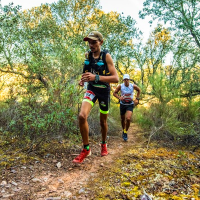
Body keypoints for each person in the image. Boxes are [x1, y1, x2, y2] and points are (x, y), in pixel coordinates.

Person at [73, 31, 119, 163]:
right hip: (92, 89)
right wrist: (83, 80)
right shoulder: (88, 56)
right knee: (82, 116)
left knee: (102, 122)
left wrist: (96, 77)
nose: (91, 45)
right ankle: (86, 149)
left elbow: (115, 78)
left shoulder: (106, 56)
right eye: (89, 42)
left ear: (101, 42)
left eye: (94, 42)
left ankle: (103, 144)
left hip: (104, 91)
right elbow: (86, 73)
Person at [113, 74, 141, 141]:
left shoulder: (132, 86)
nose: (126, 80)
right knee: (122, 119)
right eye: (125, 79)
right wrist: (119, 97)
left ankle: (125, 132)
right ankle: (124, 131)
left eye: (127, 79)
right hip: (122, 104)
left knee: (128, 118)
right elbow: (114, 93)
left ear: (129, 80)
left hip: (130, 104)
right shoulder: (120, 86)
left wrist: (137, 98)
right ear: (123, 80)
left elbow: (139, 90)